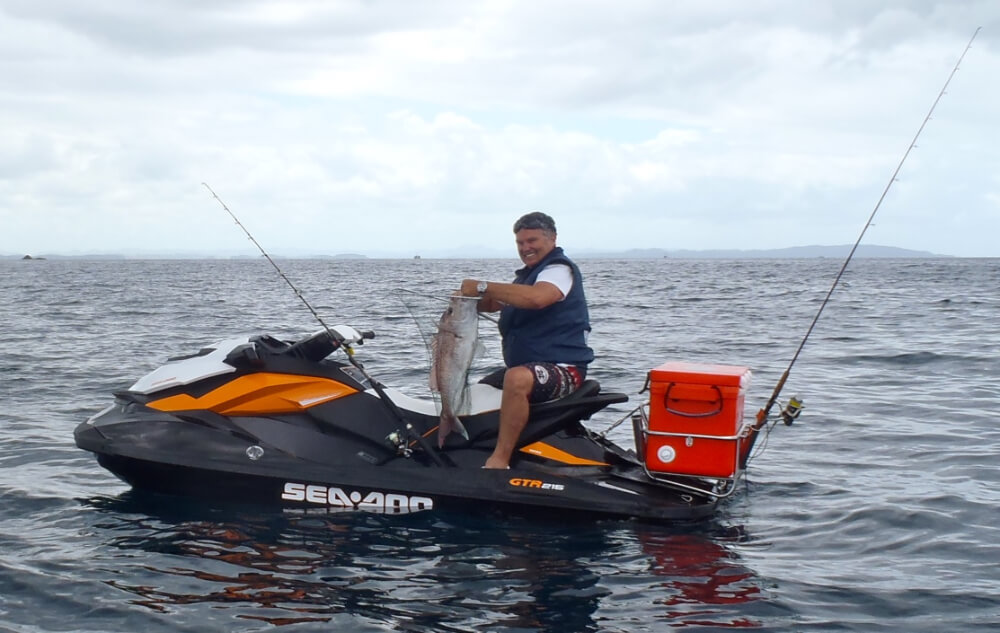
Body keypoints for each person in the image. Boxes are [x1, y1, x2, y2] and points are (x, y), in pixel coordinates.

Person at [460, 211, 594, 469]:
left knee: (517, 378)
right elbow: (493, 303)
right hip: (529, 365)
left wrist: (481, 286)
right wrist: (465, 301)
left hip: (565, 369)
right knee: (477, 391)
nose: (525, 248)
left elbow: (537, 298)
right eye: (520, 243)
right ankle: (469, 447)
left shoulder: (558, 270)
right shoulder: (527, 277)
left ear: (552, 238)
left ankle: (500, 459)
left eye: (532, 241)